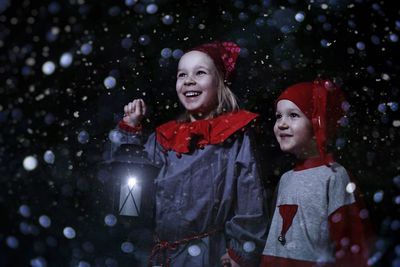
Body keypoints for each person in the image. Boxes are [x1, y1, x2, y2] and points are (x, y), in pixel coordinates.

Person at [113, 41, 268, 267]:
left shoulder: (234, 135)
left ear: (221, 81)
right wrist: (131, 132)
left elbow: (250, 196)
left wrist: (242, 250)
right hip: (163, 254)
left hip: (209, 255)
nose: (188, 81)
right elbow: (133, 181)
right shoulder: (164, 136)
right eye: (182, 74)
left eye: (200, 73)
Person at [260, 80, 371, 267]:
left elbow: (350, 238)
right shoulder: (286, 178)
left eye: (293, 115)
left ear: (317, 121)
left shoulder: (334, 175)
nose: (281, 124)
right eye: (278, 116)